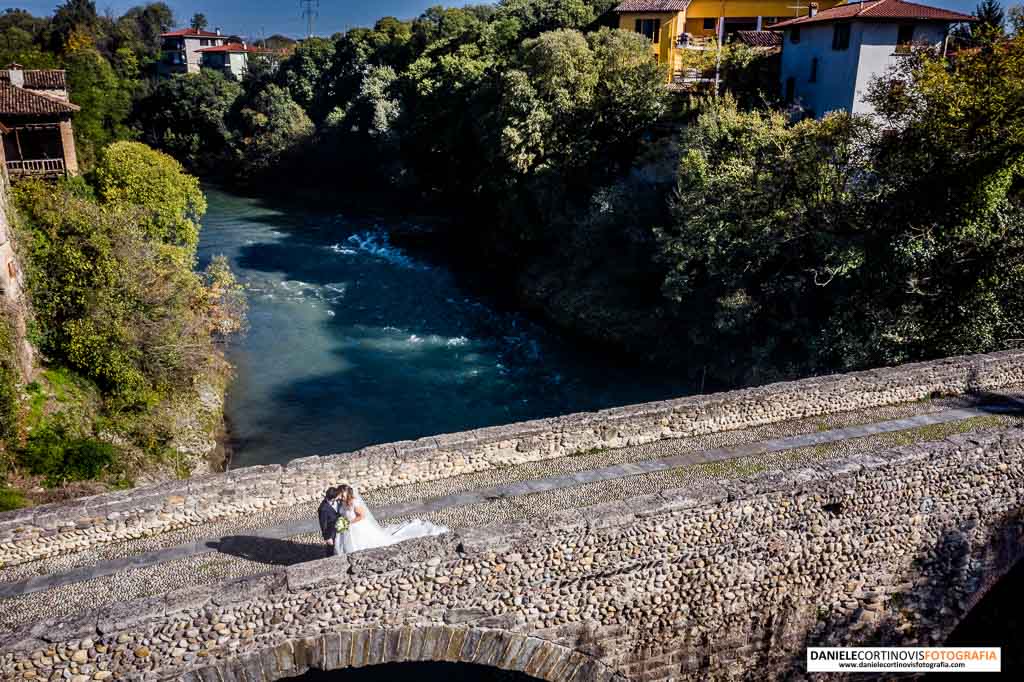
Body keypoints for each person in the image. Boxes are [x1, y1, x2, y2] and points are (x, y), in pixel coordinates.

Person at [334, 483, 448, 555]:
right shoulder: (342, 502)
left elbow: (362, 516)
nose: (342, 497)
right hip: (348, 526)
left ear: (348, 493)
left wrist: (349, 522)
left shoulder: (354, 502)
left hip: (356, 525)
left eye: (343, 495)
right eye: (341, 495)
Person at [317, 486, 342, 557]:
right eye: (337, 496)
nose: (339, 497)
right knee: (331, 550)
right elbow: (323, 525)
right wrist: (327, 538)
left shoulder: (338, 501)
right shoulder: (323, 509)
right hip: (331, 532)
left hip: (341, 528)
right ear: (333, 498)